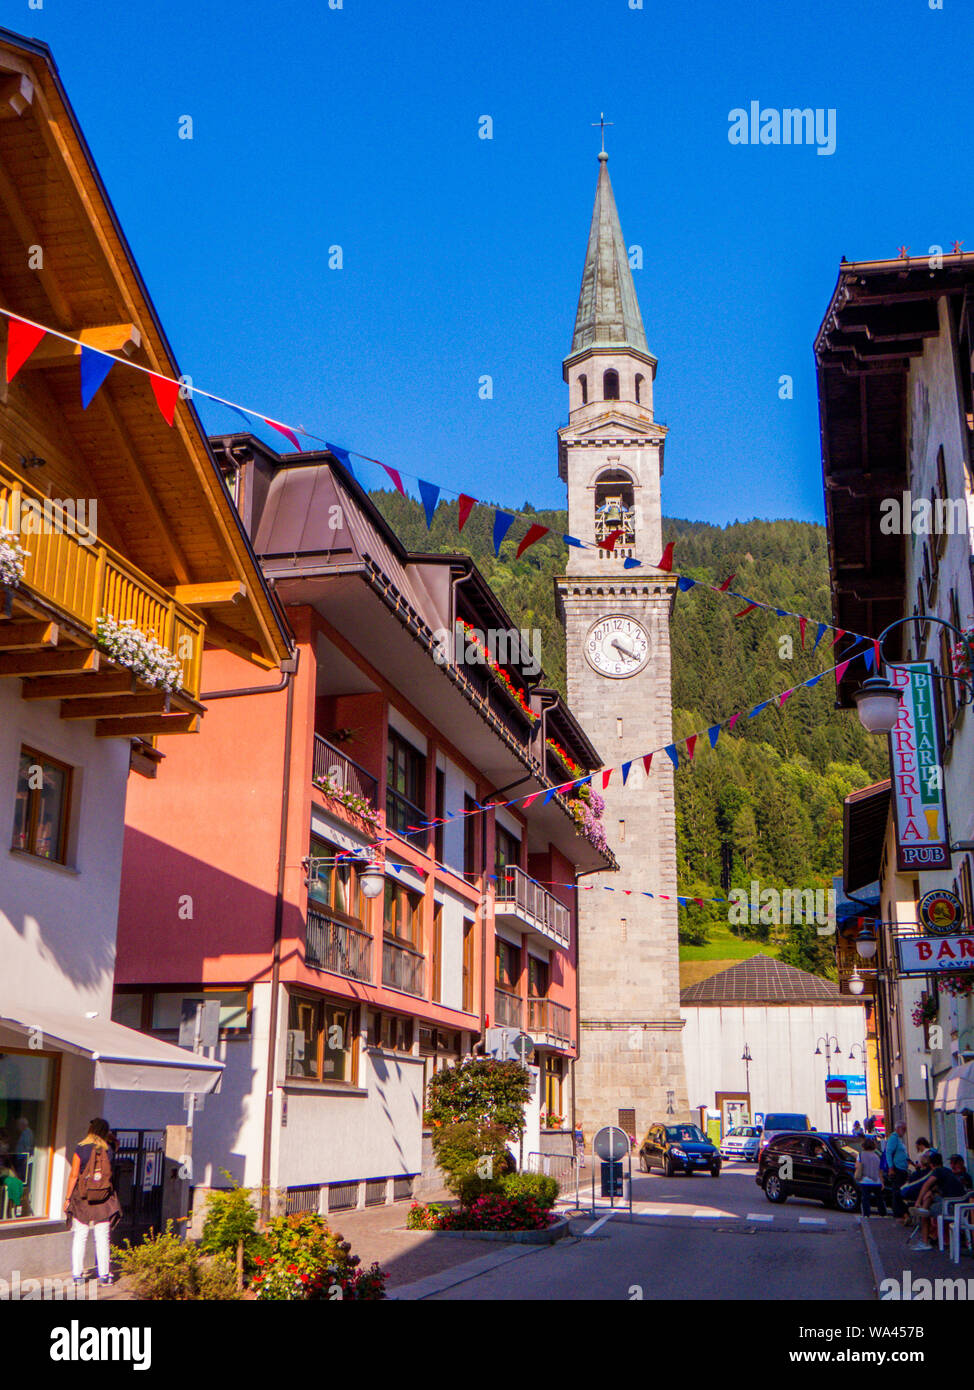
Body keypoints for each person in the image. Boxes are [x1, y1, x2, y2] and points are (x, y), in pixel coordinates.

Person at [63, 1118, 121, 1287]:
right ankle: (104, 1275)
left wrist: (67, 1198)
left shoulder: (81, 1148)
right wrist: (110, 1138)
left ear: (90, 1130)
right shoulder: (108, 1149)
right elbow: (116, 1147)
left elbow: (74, 1175)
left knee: (80, 1235)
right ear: (105, 1132)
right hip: (103, 1198)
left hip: (82, 1197)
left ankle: (77, 1275)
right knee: (102, 1236)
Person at [909, 1151, 967, 1251]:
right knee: (930, 1195)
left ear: (931, 1165)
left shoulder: (937, 1172)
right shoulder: (947, 1172)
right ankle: (923, 1210)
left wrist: (918, 1200)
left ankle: (925, 1241)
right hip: (961, 1206)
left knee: (926, 1212)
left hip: (951, 1206)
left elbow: (926, 1184)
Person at [854, 1136, 886, 1217]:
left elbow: (857, 1166)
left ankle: (866, 1214)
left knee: (865, 1198)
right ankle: (882, 1213)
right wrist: (882, 1182)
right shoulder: (877, 1156)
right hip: (876, 1180)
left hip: (865, 1180)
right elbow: (880, 1170)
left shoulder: (861, 1155)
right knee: (879, 1198)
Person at [884, 1122, 911, 1218]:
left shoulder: (899, 1139)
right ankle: (898, 1213)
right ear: (898, 1128)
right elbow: (889, 1152)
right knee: (897, 1191)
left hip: (902, 1168)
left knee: (900, 1190)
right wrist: (891, 1168)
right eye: (904, 1129)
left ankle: (901, 1212)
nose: (905, 1132)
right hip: (897, 1168)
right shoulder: (894, 1138)